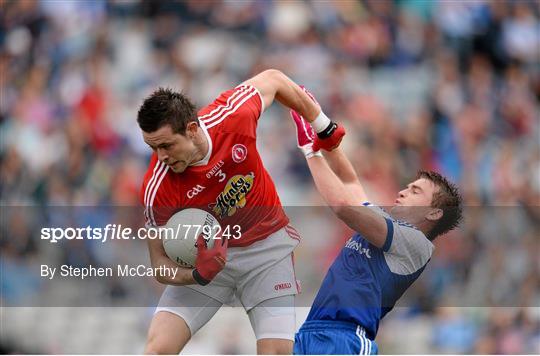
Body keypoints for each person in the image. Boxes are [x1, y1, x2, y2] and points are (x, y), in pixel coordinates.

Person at [136, 69, 345, 354]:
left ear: (192, 130)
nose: (160, 157)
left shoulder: (233, 116)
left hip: (266, 250)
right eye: (153, 148)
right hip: (205, 262)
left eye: (166, 145)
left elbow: (274, 79)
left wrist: (323, 125)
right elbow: (159, 264)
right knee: (156, 350)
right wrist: (198, 274)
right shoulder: (157, 187)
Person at [288, 91, 463, 355]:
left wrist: (312, 153)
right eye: (408, 186)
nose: (404, 191)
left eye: (416, 191)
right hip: (313, 331)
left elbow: (343, 207)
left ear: (433, 213)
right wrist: (324, 129)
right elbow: (350, 183)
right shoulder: (386, 224)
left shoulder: (416, 244)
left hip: (346, 338)